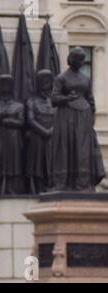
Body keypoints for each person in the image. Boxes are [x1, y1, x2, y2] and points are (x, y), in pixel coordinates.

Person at [50, 47, 105, 191]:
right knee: (66, 147)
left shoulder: (86, 78)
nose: (81, 62)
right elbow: (53, 99)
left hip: (84, 117)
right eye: (78, 59)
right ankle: (64, 182)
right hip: (66, 116)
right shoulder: (61, 78)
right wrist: (67, 98)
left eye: (82, 59)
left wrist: (91, 117)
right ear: (71, 59)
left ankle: (83, 183)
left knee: (83, 150)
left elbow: (90, 99)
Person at [0, 74, 25, 195]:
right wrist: (0, 117)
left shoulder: (18, 106)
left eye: (7, 85)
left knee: (13, 161)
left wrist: (8, 121)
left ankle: (11, 186)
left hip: (13, 136)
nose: (5, 88)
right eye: (2, 85)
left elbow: (21, 122)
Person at [26, 70, 56, 194]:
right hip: (37, 137)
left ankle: (51, 186)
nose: (45, 84)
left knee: (52, 163)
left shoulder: (54, 101)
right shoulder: (31, 101)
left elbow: (59, 117)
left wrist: (52, 130)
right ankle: (38, 187)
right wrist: (44, 131)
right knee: (37, 164)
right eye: (42, 80)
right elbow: (30, 119)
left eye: (47, 80)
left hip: (52, 137)